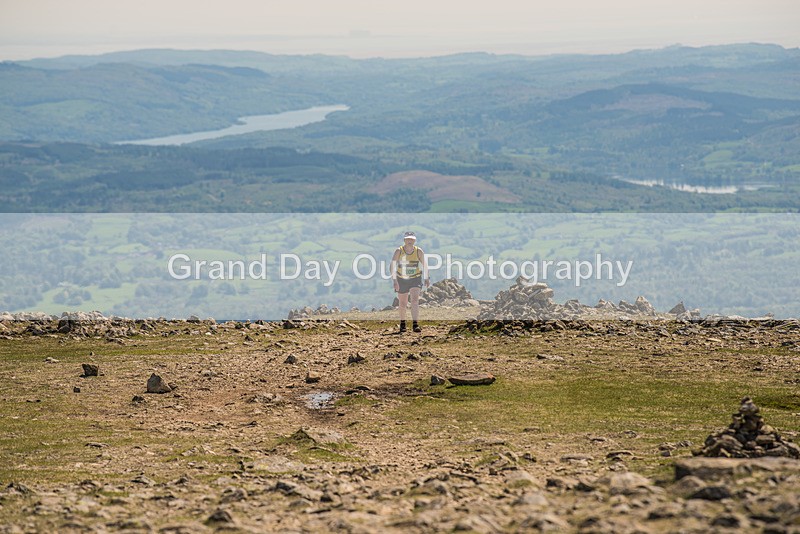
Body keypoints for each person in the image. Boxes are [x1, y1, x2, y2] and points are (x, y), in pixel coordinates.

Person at [392, 231, 430, 333]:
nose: (410, 241)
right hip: (401, 279)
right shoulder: (399, 251)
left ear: (415, 240)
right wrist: (395, 281)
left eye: (412, 239)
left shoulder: (418, 251)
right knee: (403, 303)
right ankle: (402, 324)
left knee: (414, 300)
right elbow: (392, 266)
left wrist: (426, 278)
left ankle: (415, 324)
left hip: (415, 278)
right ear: (404, 240)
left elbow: (425, 265)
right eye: (408, 239)